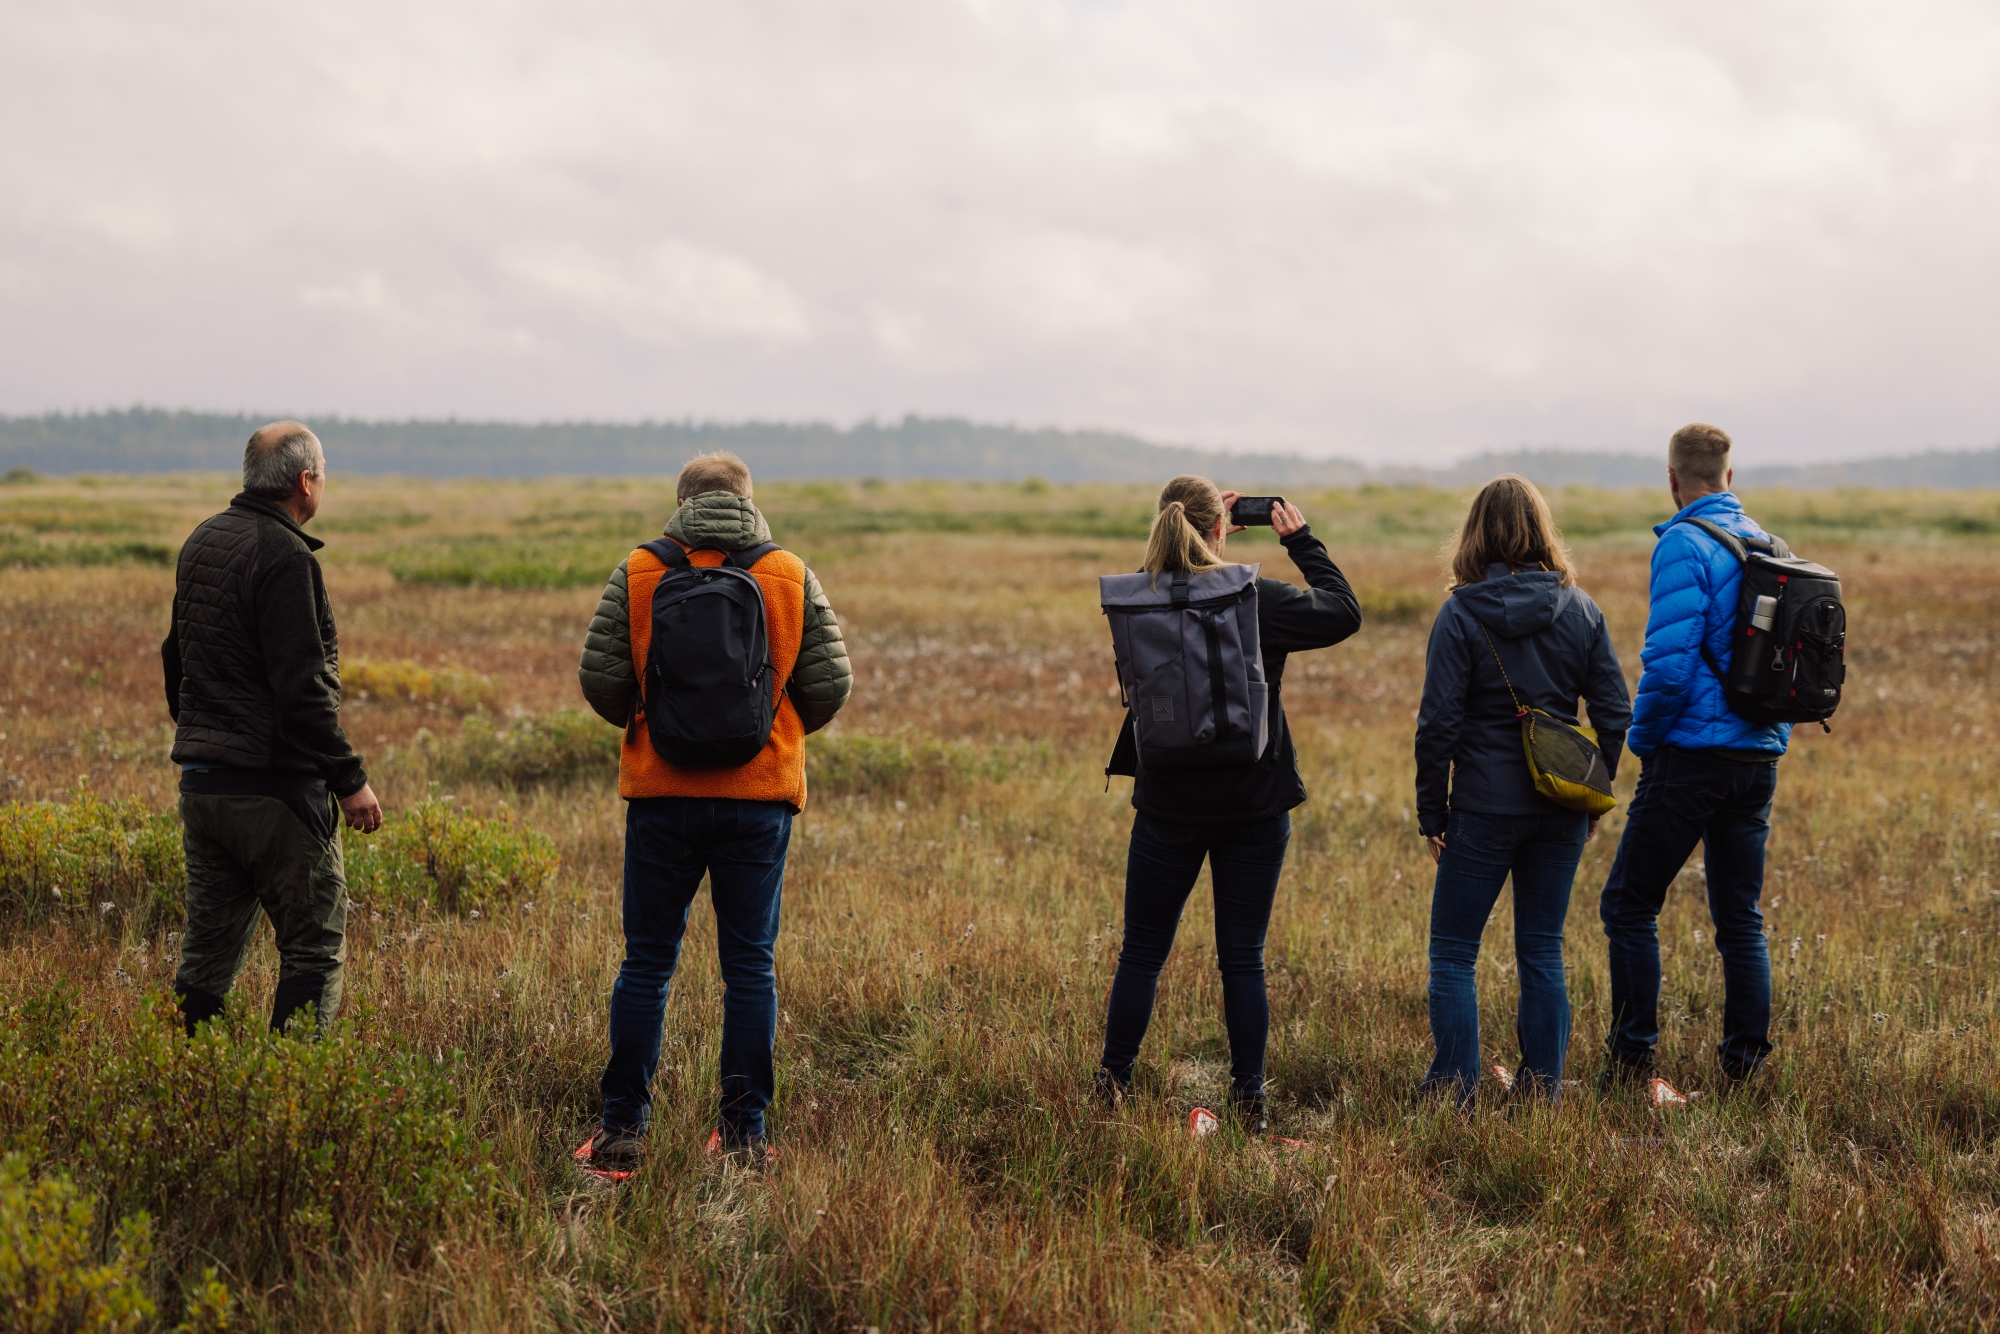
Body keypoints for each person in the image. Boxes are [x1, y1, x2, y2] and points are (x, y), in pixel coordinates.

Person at [576, 451, 851, 1171]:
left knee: (647, 965)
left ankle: (621, 1132)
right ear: (748, 501)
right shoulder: (789, 573)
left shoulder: (640, 570)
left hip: (660, 796)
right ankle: (743, 1137)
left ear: (682, 503)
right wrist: (771, 729)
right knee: (750, 969)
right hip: (757, 803)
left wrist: (653, 722)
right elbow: (832, 684)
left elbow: (599, 679)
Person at [1095, 476, 1362, 1133]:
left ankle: (1110, 1090)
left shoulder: (1137, 598)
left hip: (1167, 805)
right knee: (1242, 959)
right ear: (1221, 528)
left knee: (1141, 954)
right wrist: (1300, 540)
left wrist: (1204, 539)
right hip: (1254, 804)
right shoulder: (1255, 598)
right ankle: (1251, 1105)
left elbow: (1169, 585)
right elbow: (1343, 612)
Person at [1413, 476, 1631, 1106]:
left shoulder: (1460, 613)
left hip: (1481, 806)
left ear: (1475, 534)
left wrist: (1432, 812)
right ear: (1542, 530)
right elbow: (1616, 714)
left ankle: (1454, 1094)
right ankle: (1542, 1094)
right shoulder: (1582, 609)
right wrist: (1592, 792)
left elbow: (1437, 726)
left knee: (1454, 954)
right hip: (1561, 809)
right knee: (1542, 951)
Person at [163, 421, 383, 1037]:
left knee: (205, 956)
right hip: (277, 794)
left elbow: (175, 660)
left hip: (205, 788)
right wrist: (349, 781)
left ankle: (182, 1075)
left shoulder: (203, 539)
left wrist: (210, 736)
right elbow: (302, 693)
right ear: (305, 481)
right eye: (324, 473)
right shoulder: (285, 556)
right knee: (313, 949)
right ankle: (297, 1084)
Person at [1595, 423, 1790, 1091]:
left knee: (1628, 905)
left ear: (1673, 480)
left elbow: (1670, 664)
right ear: (1730, 478)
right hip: (1757, 758)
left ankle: (1632, 1064)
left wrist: (1642, 741)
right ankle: (1744, 1068)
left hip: (1690, 758)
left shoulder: (1683, 542)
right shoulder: (1770, 545)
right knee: (1740, 917)